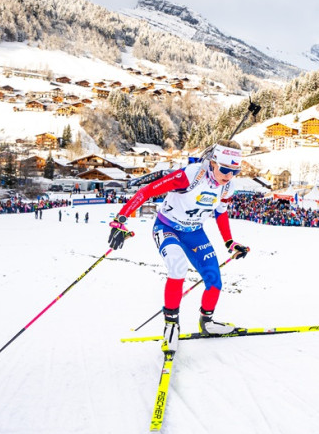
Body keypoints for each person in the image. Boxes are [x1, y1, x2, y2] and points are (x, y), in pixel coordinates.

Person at [107, 140, 250, 353]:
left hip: (195, 233)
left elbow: (221, 212)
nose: (229, 176)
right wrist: (120, 220)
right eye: (225, 169)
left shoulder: (228, 185)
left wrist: (230, 242)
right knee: (177, 267)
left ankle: (207, 322)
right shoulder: (190, 175)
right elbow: (147, 192)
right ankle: (171, 325)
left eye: (235, 171)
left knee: (214, 279)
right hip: (167, 228)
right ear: (212, 162)